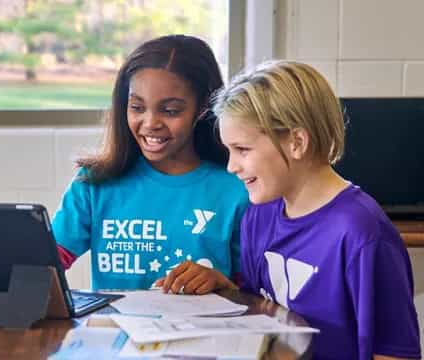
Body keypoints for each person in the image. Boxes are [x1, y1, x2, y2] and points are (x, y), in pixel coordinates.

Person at [212, 61, 420, 359]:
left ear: (297, 142)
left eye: (242, 149)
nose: (232, 166)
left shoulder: (362, 234)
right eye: (228, 151)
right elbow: (262, 318)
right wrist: (226, 289)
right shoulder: (258, 216)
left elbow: (395, 353)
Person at [52, 35, 248, 293]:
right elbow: (43, 266)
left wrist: (222, 283)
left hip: (204, 332)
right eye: (137, 107)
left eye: (170, 111)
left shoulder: (238, 188)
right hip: (116, 332)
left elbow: (256, 294)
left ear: (202, 108)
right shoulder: (95, 182)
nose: (150, 123)